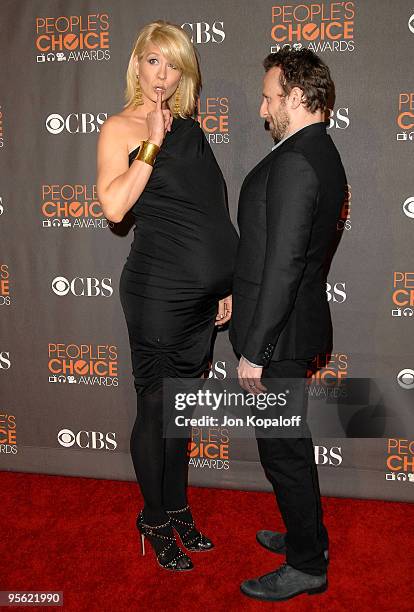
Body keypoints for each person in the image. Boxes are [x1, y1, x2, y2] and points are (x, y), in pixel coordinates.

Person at [96, 20, 238, 572]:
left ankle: (177, 508)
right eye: (154, 60)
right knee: (155, 409)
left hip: (201, 299)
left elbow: (211, 211)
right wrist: (150, 142)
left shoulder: (193, 128)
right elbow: (114, 208)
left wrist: (223, 281)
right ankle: (152, 519)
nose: (163, 73)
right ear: (137, 65)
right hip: (157, 293)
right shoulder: (121, 128)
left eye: (174, 64)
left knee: (179, 412)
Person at [229, 48, 347, 601]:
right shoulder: (315, 152)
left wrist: (255, 349)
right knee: (290, 447)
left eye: (270, 97)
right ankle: (309, 537)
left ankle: (306, 566)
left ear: (298, 97)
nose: (262, 108)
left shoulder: (299, 159)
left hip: (278, 337)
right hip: (286, 329)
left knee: (283, 451)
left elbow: (284, 265)